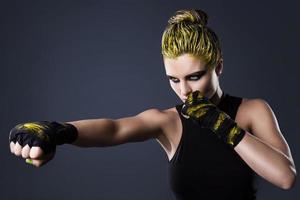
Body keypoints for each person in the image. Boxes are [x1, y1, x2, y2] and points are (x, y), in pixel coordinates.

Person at [9, 9, 296, 200]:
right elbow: (114, 129)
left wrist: (223, 127)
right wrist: (60, 131)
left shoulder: (253, 111)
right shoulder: (169, 123)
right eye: (173, 79)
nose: (183, 90)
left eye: (194, 77)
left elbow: (285, 178)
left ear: (218, 67)